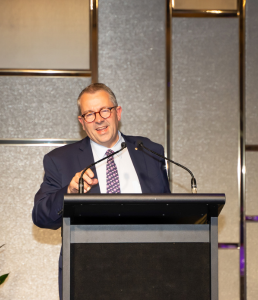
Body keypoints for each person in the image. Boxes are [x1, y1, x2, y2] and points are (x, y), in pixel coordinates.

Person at [32, 83, 170, 299]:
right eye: (89, 114)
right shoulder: (60, 160)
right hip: (89, 275)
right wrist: (69, 192)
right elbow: (41, 216)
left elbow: (169, 212)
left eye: (104, 110)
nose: (98, 119)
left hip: (149, 272)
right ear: (82, 122)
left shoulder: (150, 151)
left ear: (118, 112)